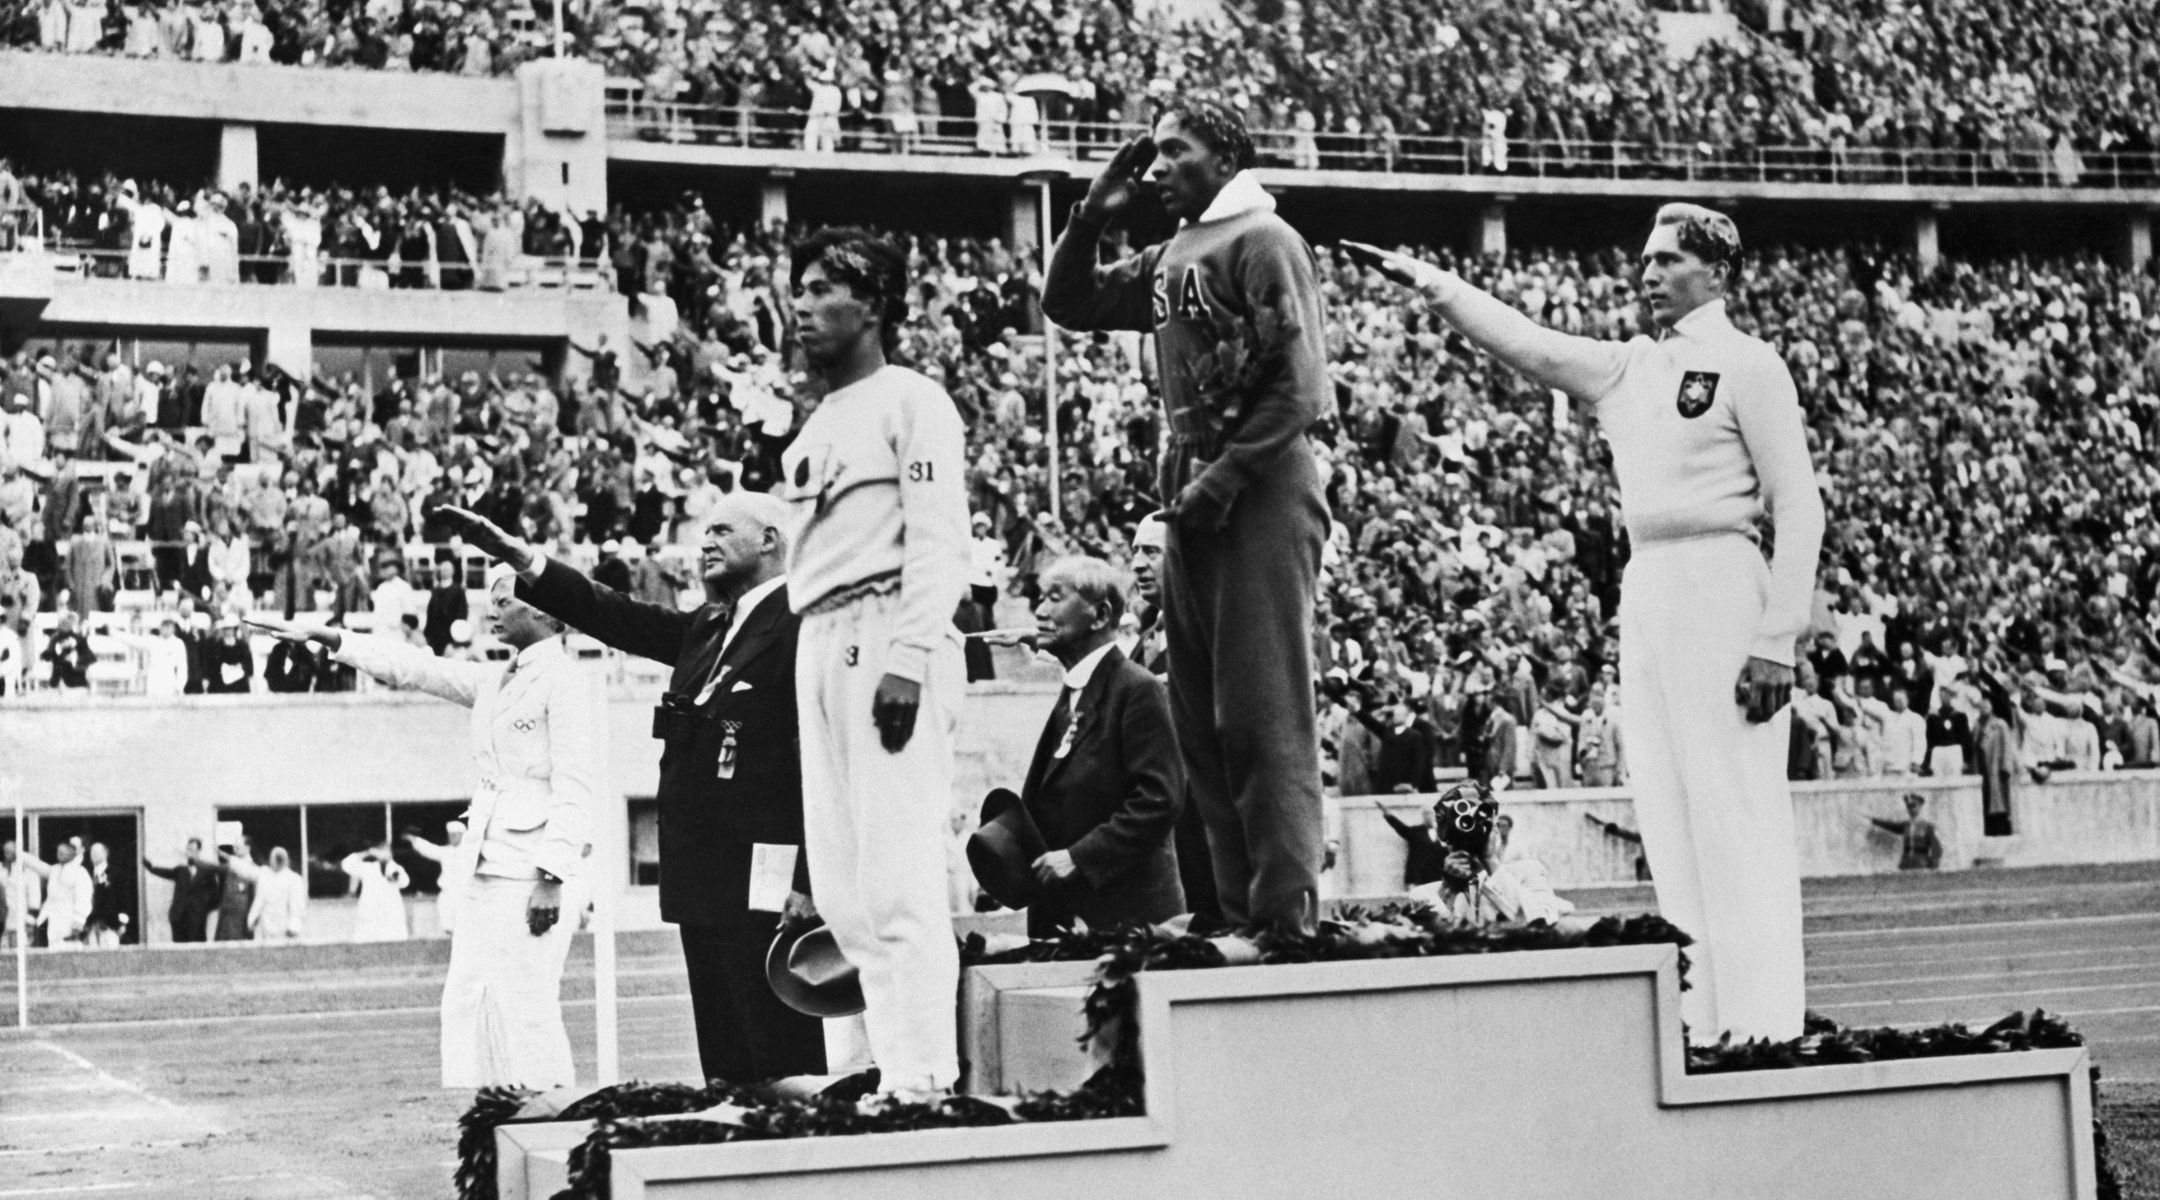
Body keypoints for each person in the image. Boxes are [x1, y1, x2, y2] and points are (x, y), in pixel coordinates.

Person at [1349, 201, 1825, 1043]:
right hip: (1648, 586)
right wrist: (1431, 282)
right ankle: (1702, 1017)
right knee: (1669, 813)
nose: (1647, 275)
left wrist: (1777, 637)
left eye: (1667, 261)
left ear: (1716, 272)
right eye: (1644, 261)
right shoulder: (1627, 367)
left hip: (1723, 576)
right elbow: (1525, 342)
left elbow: (1799, 505)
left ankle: (1765, 1024)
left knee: (1734, 810)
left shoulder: (1751, 365)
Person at [1044, 99, 1332, 935]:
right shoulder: (1177, 249)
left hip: (1259, 486)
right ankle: (1234, 910)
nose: (1158, 165)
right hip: (1195, 487)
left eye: (1177, 149)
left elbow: (1302, 387)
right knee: (1202, 718)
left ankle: (1285, 918)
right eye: (1155, 152)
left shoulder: (1262, 240)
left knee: (1262, 714)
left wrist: (1221, 479)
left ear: (1226, 155)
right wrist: (1090, 215)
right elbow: (1073, 302)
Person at [440, 491, 829, 1087]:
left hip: (770, 886)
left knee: (782, 1062)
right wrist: (523, 560)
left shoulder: (804, 626)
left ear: (771, 540)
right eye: (703, 534)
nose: (706, 544)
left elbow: (822, 761)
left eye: (723, 531)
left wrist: (810, 879)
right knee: (726, 1071)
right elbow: (613, 613)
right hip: (704, 880)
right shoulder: (706, 626)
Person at [251, 568, 602, 1091]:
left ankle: (555, 1118)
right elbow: (415, 667)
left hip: (532, 869)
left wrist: (552, 875)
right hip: (485, 863)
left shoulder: (566, 681)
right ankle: (488, 1112)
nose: (492, 611)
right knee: (467, 997)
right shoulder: (496, 679)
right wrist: (332, 639)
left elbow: (575, 784)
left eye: (504, 601)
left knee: (527, 1002)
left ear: (546, 614)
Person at [776, 228, 971, 1099]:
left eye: (824, 289)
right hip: (818, 635)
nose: (804, 305)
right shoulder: (819, 418)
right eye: (801, 289)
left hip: (884, 627)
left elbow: (939, 539)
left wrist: (911, 654)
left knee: (897, 873)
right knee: (847, 889)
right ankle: (879, 1068)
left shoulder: (912, 400)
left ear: (877, 304)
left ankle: (925, 1073)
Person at [1006, 556, 1184, 937]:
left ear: (1101, 614)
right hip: (1071, 917)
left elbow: (1159, 799)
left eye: (1055, 598)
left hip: (1128, 922)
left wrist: (1080, 858)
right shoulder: (1075, 690)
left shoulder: (1138, 689)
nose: (1039, 611)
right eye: (1040, 599)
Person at [144, 837, 222, 942]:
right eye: (188, 849)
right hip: (179, 919)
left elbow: (215, 897)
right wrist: (150, 867)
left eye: (193, 850)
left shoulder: (207, 872)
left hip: (197, 920)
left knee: (196, 950)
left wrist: (201, 908)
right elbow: (165, 872)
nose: (190, 852)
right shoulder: (181, 870)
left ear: (199, 851)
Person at [193, 833, 261, 942]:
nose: (235, 850)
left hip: (242, 919)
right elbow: (214, 868)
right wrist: (196, 860)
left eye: (238, 847)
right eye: (234, 847)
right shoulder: (231, 866)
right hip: (226, 917)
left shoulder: (254, 870)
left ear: (248, 848)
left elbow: (255, 898)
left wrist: (251, 921)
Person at [342, 842, 411, 942]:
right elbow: (346, 864)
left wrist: (395, 877)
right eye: (381, 851)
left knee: (395, 943)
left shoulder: (396, 868)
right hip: (370, 913)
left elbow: (405, 882)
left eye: (387, 851)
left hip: (391, 915)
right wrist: (367, 852)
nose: (384, 854)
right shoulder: (367, 868)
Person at [1868, 792, 1944, 871]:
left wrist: (1933, 865)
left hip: (1921, 864)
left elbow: (1937, 849)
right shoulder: (1906, 825)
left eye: (1913, 806)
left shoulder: (1928, 827)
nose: (1911, 809)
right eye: (1908, 807)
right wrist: (1875, 821)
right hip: (1905, 863)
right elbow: (1890, 825)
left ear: (1920, 806)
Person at [40, 838, 93, 949]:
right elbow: (51, 898)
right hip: (54, 921)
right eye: (58, 852)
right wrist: (39, 920)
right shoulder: (54, 870)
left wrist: (78, 922)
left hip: (71, 921)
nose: (60, 854)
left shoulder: (80, 872)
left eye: (63, 852)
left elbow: (84, 899)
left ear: (72, 854)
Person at [250, 846, 308, 939]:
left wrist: (294, 927)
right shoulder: (264, 875)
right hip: (266, 928)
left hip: (285, 930)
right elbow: (259, 901)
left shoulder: (293, 879)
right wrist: (252, 919)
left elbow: (297, 907)